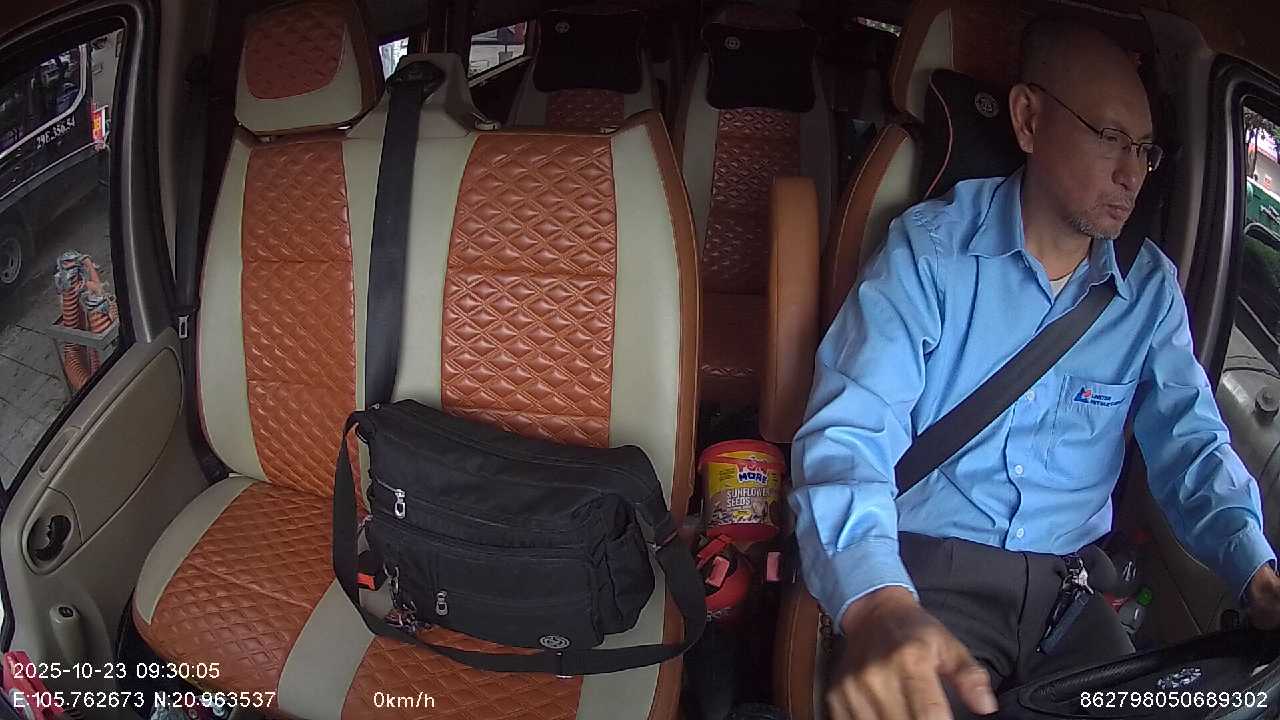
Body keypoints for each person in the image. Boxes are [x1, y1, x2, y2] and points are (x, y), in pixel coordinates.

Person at [790, 17, 1280, 720]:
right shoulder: (930, 255)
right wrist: (877, 602)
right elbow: (850, 432)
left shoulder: (1149, 290)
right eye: (1109, 137)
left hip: (1068, 599)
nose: (1132, 174)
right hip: (932, 580)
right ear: (1028, 119)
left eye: (1143, 150)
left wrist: (1253, 569)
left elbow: (1190, 441)